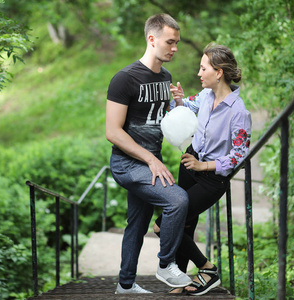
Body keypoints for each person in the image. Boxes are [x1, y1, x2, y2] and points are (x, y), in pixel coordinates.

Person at [153, 43, 252, 296]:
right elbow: (189, 107)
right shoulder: (206, 96)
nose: (199, 73)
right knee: (183, 225)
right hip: (189, 164)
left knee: (163, 225)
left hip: (211, 179)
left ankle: (207, 269)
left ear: (218, 72)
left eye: (203, 68)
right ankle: (180, 279)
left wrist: (204, 165)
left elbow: (239, 154)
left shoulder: (239, 112)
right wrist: (178, 101)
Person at [106, 14, 193, 294]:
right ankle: (166, 264)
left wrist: (178, 105)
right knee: (178, 199)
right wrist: (151, 159)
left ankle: (126, 284)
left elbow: (160, 120)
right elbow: (113, 131)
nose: (175, 48)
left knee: (139, 222)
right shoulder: (124, 79)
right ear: (151, 39)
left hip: (149, 163)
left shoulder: (165, 77)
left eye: (177, 42)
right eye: (170, 41)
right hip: (128, 164)